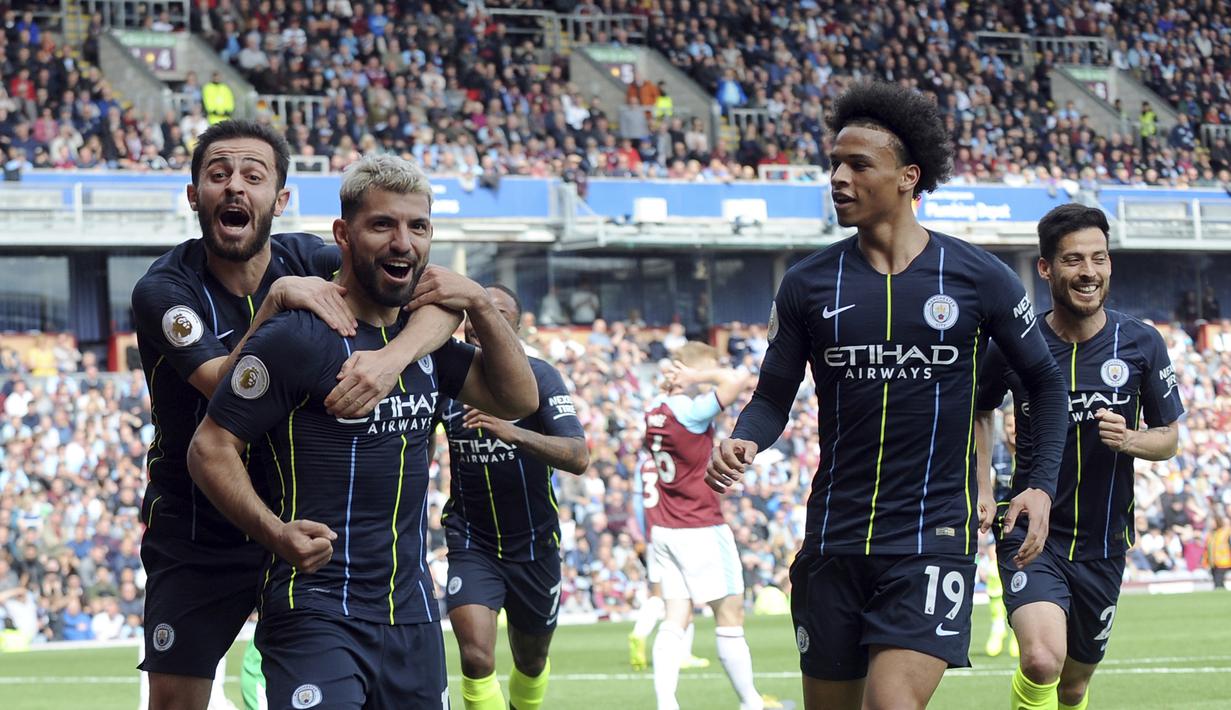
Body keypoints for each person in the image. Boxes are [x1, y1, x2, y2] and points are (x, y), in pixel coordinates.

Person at [706, 81, 1069, 710]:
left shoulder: (980, 276)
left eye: (858, 165)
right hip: (833, 538)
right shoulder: (806, 284)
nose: (839, 178)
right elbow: (771, 398)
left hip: (930, 536)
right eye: (834, 165)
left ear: (908, 176)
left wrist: (1036, 483)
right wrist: (744, 437)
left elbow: (1045, 383)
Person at [186, 153, 539, 708]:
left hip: (413, 617)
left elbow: (518, 398)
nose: (404, 242)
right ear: (343, 235)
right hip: (317, 608)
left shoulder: (423, 344)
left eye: (417, 226)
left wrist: (477, 302)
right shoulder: (297, 339)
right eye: (383, 225)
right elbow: (209, 448)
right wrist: (275, 533)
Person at [131, 121, 458, 710]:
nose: (235, 188)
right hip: (202, 525)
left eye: (253, 177)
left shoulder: (309, 254)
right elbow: (223, 387)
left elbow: (436, 297)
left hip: (303, 525)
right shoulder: (165, 291)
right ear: (193, 196)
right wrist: (277, 304)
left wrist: (391, 358)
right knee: (177, 701)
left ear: (279, 200)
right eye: (217, 174)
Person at [976, 203, 1184, 710]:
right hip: (1031, 529)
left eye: (1099, 258)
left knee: (1072, 686)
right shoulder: (1014, 344)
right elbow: (978, 413)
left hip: (1104, 540)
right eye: (1073, 260)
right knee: (1042, 658)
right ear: (1045, 267)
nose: (1089, 272)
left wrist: (1131, 439)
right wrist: (982, 487)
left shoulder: (1140, 342)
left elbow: (1170, 437)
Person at [434, 285, 590, 710]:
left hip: (535, 544)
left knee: (532, 659)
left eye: (496, 313)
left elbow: (578, 456)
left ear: (516, 328)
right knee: (476, 655)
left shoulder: (540, 377)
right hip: (472, 541)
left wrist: (513, 431)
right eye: (473, 313)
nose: (480, 322)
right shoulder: (444, 381)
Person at [637, 343, 767, 710]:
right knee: (729, 614)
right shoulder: (690, 411)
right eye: (710, 367)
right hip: (700, 525)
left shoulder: (653, 409)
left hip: (664, 527)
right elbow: (737, 380)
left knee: (675, 616)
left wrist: (691, 376)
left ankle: (667, 704)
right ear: (692, 370)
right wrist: (699, 375)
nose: (714, 373)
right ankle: (751, 702)